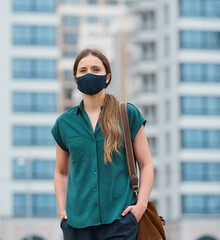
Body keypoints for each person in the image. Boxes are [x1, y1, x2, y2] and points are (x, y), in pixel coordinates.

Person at [51, 48, 154, 240]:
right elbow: (61, 172)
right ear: (75, 78)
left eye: (95, 69)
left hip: (120, 221)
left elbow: (146, 164)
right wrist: (62, 211)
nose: (89, 74)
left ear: (107, 77)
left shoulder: (127, 114)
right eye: (83, 70)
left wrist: (141, 206)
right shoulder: (64, 124)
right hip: (77, 225)